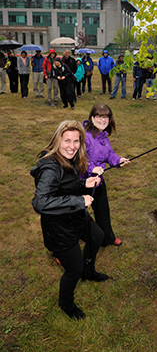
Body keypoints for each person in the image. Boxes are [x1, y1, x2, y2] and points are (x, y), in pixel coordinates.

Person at [31, 120, 108, 320]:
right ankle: (66, 303)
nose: (71, 146)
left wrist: (85, 183)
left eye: (76, 141)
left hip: (75, 216)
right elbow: (40, 202)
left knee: (97, 236)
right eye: (67, 140)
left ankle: (89, 272)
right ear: (57, 140)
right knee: (74, 269)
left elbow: (66, 186)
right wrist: (79, 200)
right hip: (58, 228)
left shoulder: (70, 158)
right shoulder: (50, 168)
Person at [82, 103, 130, 247]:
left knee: (103, 212)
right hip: (82, 182)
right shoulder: (85, 136)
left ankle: (107, 237)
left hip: (98, 182)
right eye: (99, 116)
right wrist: (92, 168)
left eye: (106, 117)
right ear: (92, 118)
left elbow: (109, 154)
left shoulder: (103, 136)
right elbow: (79, 159)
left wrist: (118, 160)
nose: (103, 120)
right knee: (77, 215)